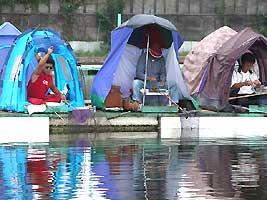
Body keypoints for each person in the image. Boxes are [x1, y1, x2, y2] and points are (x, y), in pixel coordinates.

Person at [132, 42, 178, 107]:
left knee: (173, 84)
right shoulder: (144, 57)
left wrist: (162, 80)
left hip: (157, 83)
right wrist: (148, 78)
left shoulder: (161, 59)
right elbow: (139, 73)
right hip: (145, 83)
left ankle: (174, 103)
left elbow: (163, 72)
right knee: (136, 83)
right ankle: (137, 102)